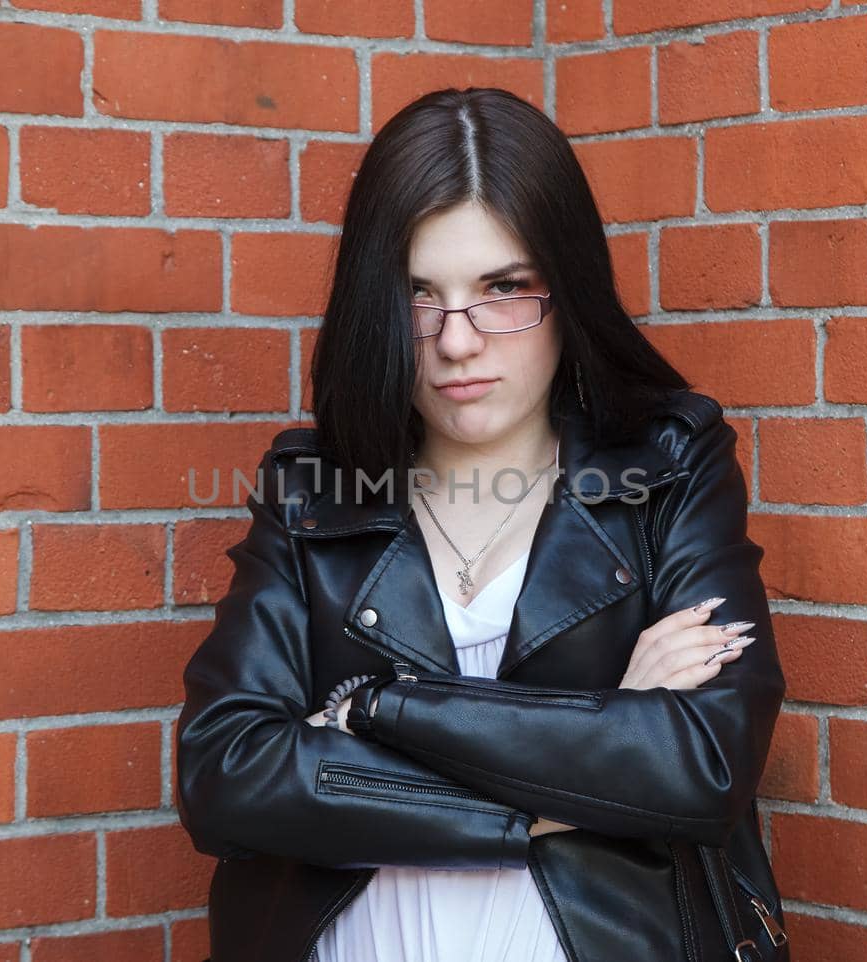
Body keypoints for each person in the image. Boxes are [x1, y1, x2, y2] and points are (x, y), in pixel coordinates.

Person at [176, 87, 789, 962]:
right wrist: (603, 731)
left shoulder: (666, 470)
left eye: (503, 288)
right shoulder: (313, 492)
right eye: (419, 294)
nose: (457, 340)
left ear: (567, 289)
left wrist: (369, 712)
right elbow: (226, 777)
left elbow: (703, 766)